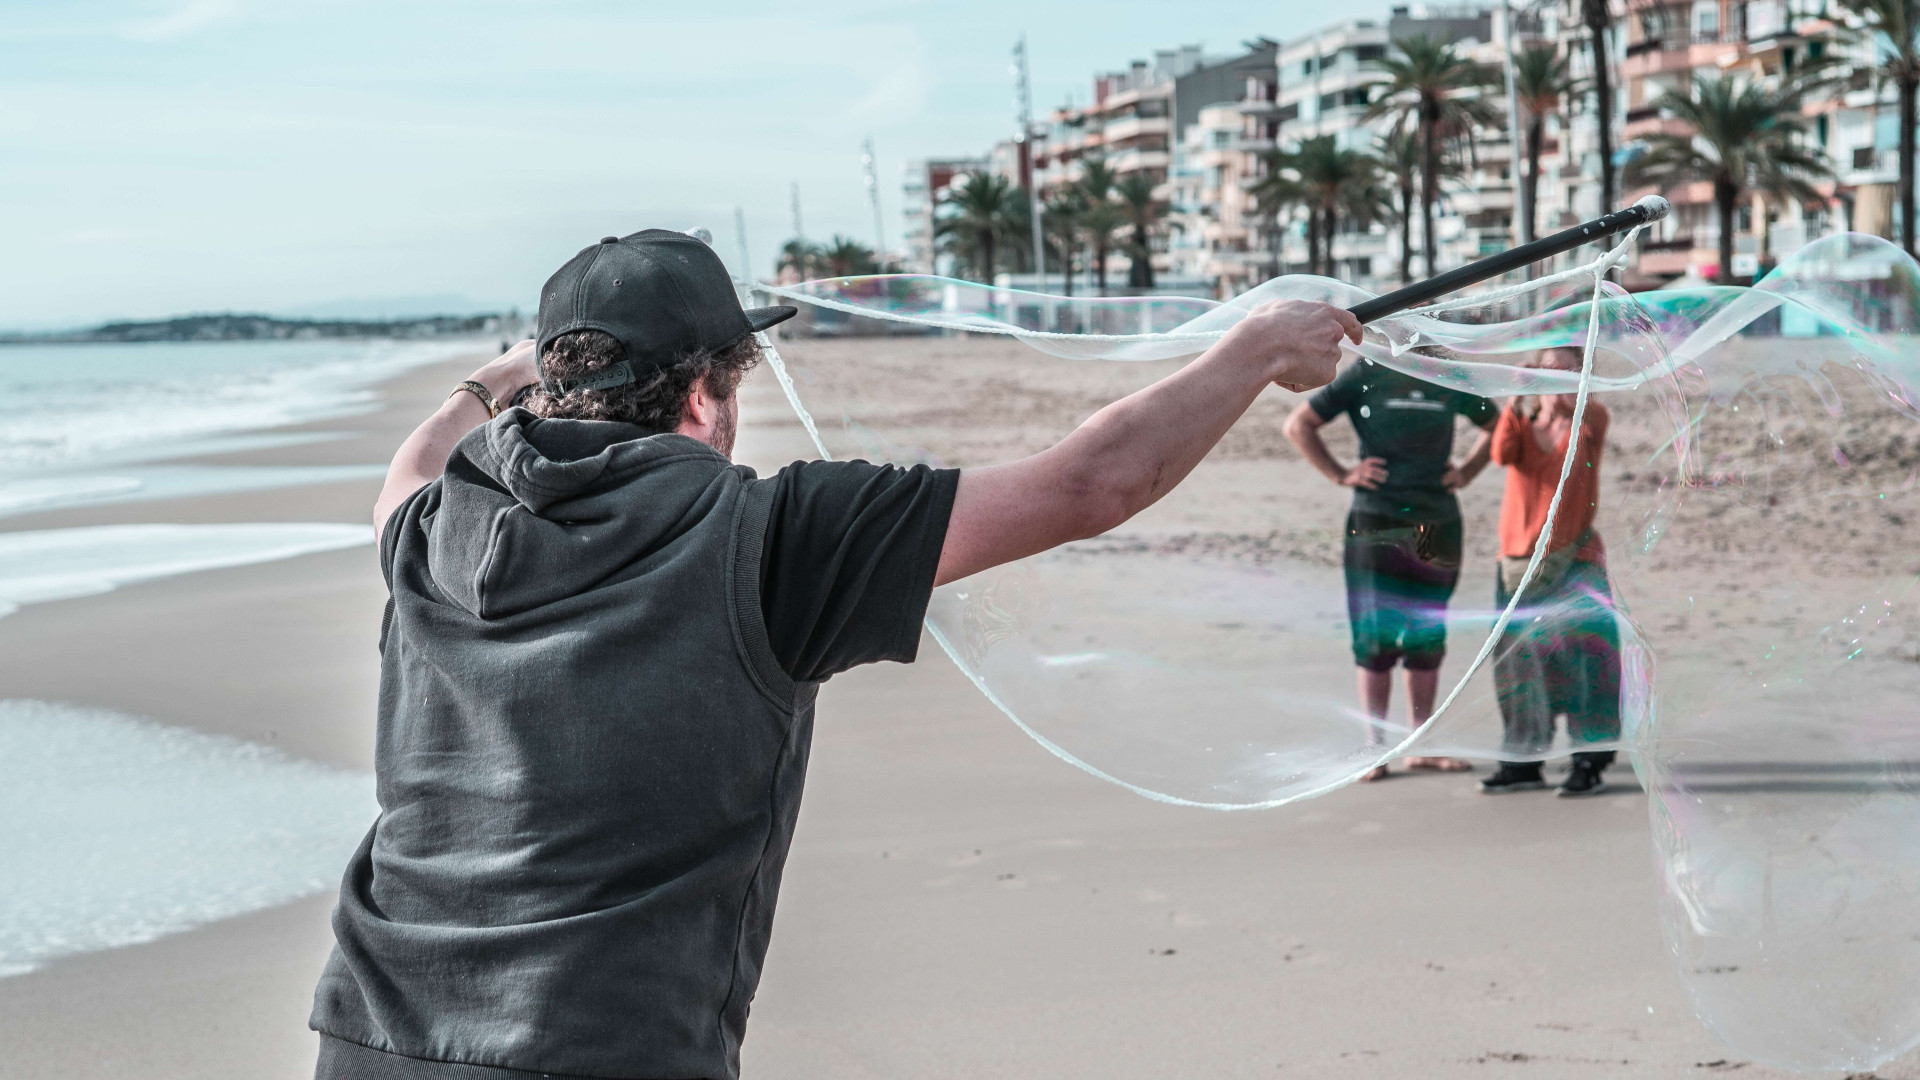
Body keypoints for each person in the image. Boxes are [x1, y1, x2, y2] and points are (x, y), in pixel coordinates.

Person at [308, 229, 1361, 1080]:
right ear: (706, 395)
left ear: (554, 384)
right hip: (603, 1047)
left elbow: (405, 468)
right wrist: (1258, 351)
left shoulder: (435, 528)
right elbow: (1091, 485)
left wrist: (494, 382)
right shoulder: (769, 538)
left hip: (371, 1036)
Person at [1284, 358, 1496, 781]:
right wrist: (1342, 474)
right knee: (1375, 636)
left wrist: (1468, 470)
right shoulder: (1365, 375)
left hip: (1436, 520)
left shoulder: (1444, 375)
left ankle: (1420, 746)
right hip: (1375, 519)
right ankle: (1376, 749)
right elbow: (1298, 425)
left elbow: (1499, 426)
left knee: (1427, 632)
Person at [1474, 347, 1623, 797]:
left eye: (1570, 369)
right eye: (1549, 369)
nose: (1559, 377)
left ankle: (1588, 762)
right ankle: (1524, 760)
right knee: (1517, 665)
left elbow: (1590, 414)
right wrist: (1516, 400)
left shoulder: (1589, 420)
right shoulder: (1522, 424)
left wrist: (1567, 398)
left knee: (1586, 659)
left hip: (1576, 560)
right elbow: (1501, 454)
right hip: (1518, 564)